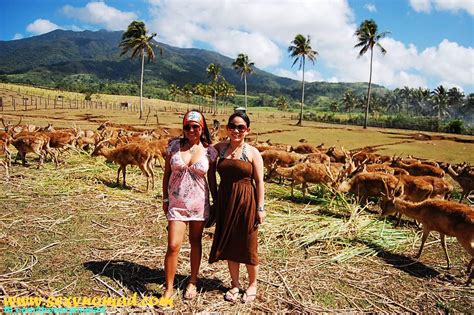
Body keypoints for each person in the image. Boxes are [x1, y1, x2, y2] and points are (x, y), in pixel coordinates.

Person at [209, 111, 265, 303]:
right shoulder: (219, 149)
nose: (236, 130)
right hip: (225, 201)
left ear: (247, 130)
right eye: (232, 126)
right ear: (227, 128)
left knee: (249, 244)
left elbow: (260, 182)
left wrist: (260, 208)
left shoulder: (253, 152)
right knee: (230, 242)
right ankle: (234, 284)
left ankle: (252, 284)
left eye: (241, 127)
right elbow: (204, 161)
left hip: (247, 200)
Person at [162, 110, 218, 301]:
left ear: (202, 128)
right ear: (183, 128)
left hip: (199, 205)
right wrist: (165, 199)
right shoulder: (173, 147)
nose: (191, 130)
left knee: (196, 242)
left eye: (195, 126)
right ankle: (168, 288)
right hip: (176, 204)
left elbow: (212, 181)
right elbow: (166, 175)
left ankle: (192, 282)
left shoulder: (210, 151)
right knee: (173, 245)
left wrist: (216, 204)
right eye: (188, 126)